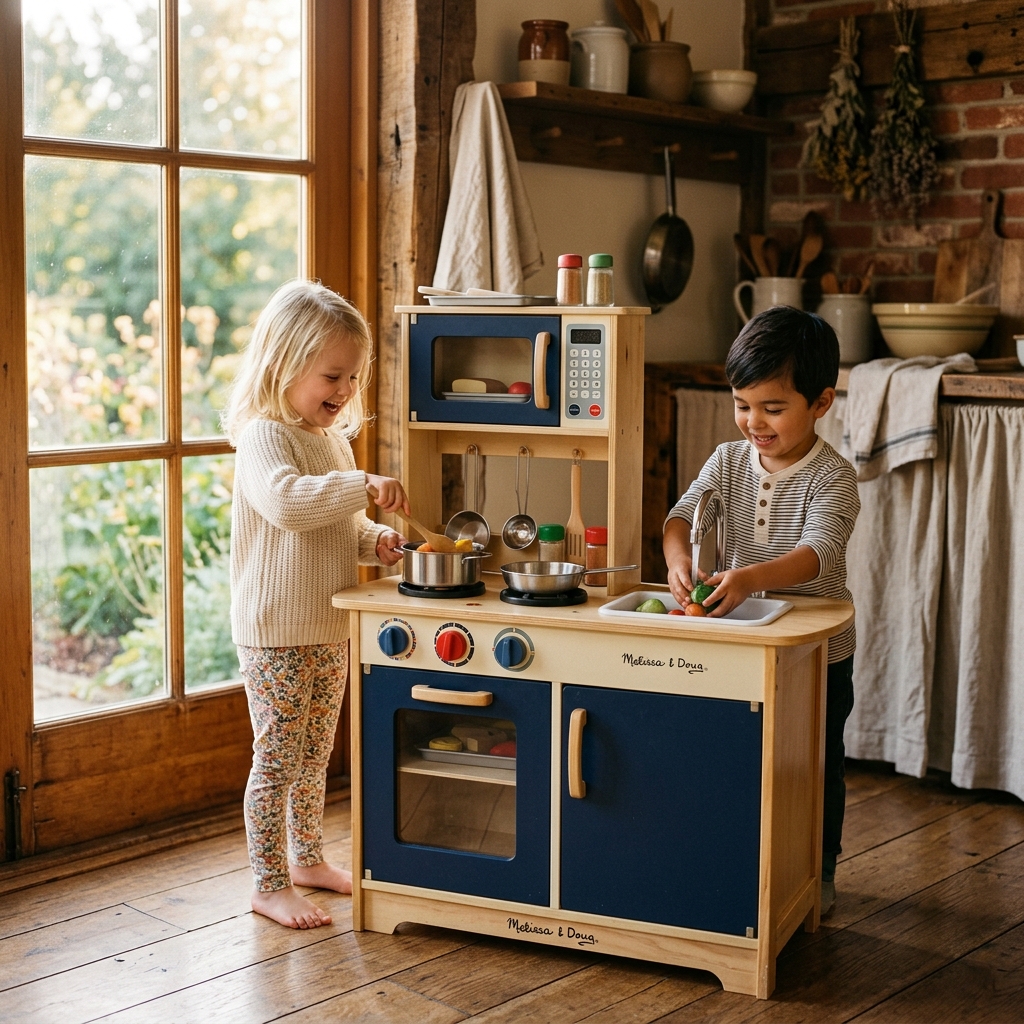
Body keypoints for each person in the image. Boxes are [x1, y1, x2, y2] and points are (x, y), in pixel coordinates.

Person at [223, 279, 409, 929]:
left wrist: (376, 539)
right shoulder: (263, 437)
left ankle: (306, 858)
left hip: (328, 624)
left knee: (315, 753)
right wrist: (361, 484)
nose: (345, 391)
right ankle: (267, 883)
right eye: (333, 375)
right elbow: (291, 503)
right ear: (284, 364)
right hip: (275, 629)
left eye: (354, 378)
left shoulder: (332, 440)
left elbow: (338, 524)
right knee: (276, 759)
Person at [663, 306, 860, 915]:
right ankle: (747, 863)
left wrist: (747, 577)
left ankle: (817, 870)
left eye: (773, 408)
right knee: (743, 758)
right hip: (745, 642)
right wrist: (677, 561)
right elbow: (679, 516)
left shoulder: (834, 477)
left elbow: (816, 556)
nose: (754, 422)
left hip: (816, 652)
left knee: (813, 765)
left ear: (821, 402)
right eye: (743, 404)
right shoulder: (726, 461)